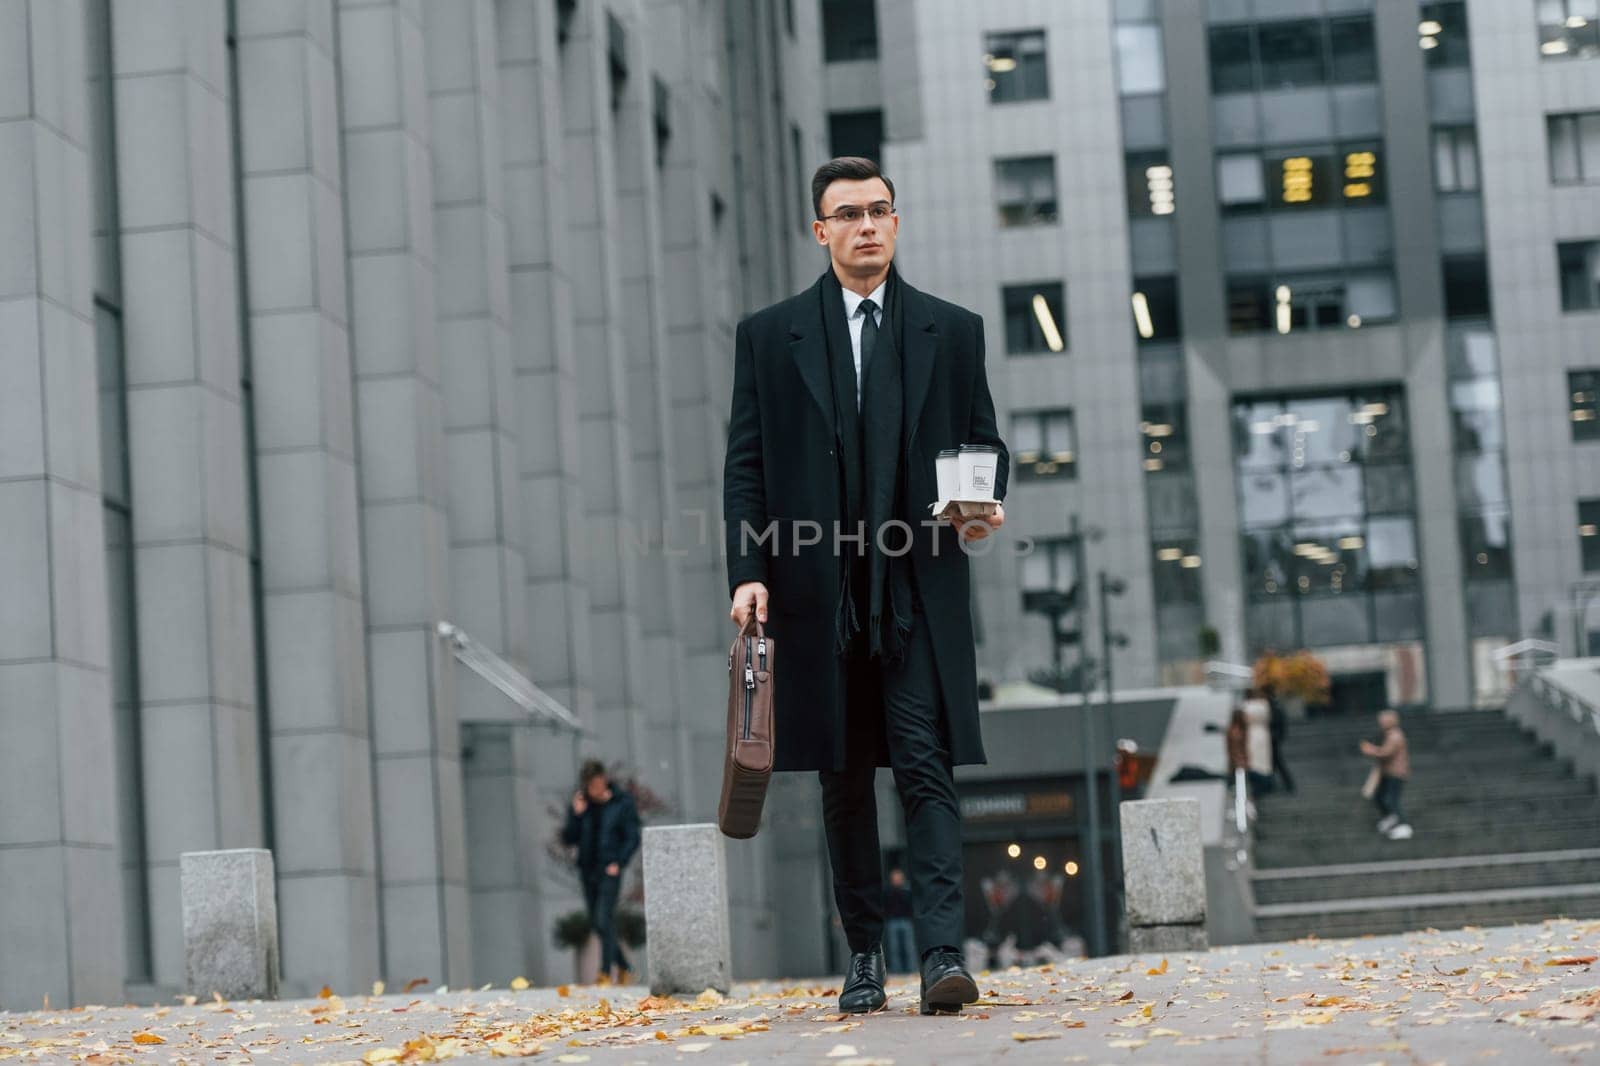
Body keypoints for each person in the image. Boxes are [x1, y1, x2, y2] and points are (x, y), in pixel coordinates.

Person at [722, 156, 1008, 1016]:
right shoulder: (771, 337)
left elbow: (984, 442)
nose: (867, 226)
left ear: (896, 220)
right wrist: (748, 573)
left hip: (919, 588)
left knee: (925, 768)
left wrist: (981, 503)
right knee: (842, 780)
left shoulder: (951, 331)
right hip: (816, 596)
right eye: (847, 214)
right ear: (821, 231)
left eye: (879, 210)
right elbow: (747, 467)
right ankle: (863, 958)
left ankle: (944, 955)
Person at [560, 759, 642, 983]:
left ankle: (605, 973)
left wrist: (619, 861)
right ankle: (625, 968)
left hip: (610, 868)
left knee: (604, 917)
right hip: (588, 869)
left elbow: (632, 836)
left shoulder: (621, 803)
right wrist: (577, 814)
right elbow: (568, 838)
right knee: (598, 923)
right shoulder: (581, 805)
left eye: (597, 783)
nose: (594, 789)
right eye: (590, 785)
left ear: (604, 780)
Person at [1359, 710, 1412, 840]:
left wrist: (1370, 749)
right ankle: (1390, 819)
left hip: (1396, 773)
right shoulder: (1388, 734)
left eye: (1383, 720)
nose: (1380, 722)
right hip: (1387, 772)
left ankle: (1404, 826)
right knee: (1379, 797)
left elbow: (1386, 753)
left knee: (1391, 800)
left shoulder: (1395, 735)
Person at [883, 867, 915, 975]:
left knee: (909, 947)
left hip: (906, 920)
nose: (897, 880)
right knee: (894, 948)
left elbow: (911, 905)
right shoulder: (888, 891)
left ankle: (911, 969)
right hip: (892, 921)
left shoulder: (907, 890)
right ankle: (898, 970)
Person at [1264, 688, 1296, 794]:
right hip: (1273, 738)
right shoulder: (1273, 706)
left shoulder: (1273, 707)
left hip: (1273, 739)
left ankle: (1283, 785)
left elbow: (1279, 724)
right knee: (1274, 764)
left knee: (1276, 763)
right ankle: (1275, 785)